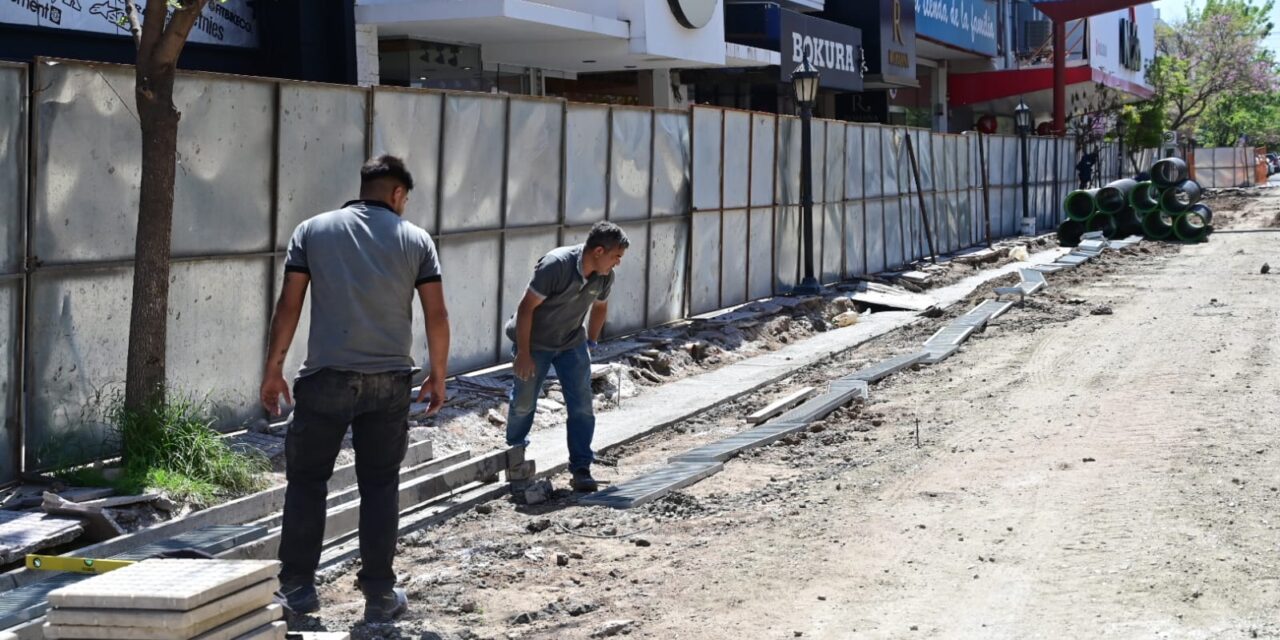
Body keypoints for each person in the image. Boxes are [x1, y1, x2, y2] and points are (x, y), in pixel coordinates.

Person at [259, 155, 450, 623]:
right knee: (380, 485)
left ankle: (299, 590)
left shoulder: (312, 230)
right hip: (390, 382)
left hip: (325, 379)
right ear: (398, 194)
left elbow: (289, 304)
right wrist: (437, 374)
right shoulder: (417, 240)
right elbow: (436, 315)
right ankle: (380, 595)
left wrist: (273, 369)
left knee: (307, 483)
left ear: (365, 186)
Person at [504, 221, 629, 493]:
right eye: (615, 256)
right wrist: (524, 353)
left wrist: (591, 342)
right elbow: (526, 308)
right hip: (534, 342)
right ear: (598, 251)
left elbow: (600, 307)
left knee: (582, 404)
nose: (618, 263)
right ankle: (514, 458)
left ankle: (581, 467)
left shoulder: (604, 275)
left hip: (571, 341)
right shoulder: (556, 265)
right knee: (525, 401)